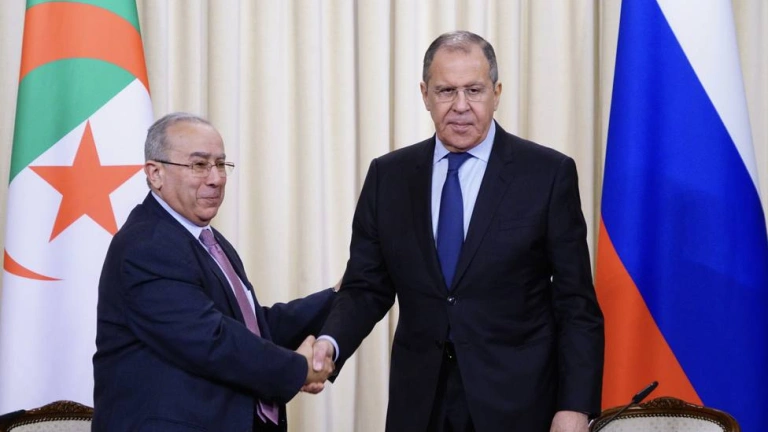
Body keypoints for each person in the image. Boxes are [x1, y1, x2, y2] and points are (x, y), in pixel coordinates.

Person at [313, 31, 604, 431]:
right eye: (446, 91)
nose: (461, 106)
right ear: (425, 94)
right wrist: (330, 344)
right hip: (419, 407)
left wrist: (575, 406)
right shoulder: (389, 176)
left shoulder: (547, 175)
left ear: (496, 93)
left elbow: (576, 304)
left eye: (474, 90)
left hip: (518, 406)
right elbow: (366, 286)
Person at [92, 112, 335, 432]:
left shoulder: (207, 240)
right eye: (199, 165)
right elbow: (211, 340)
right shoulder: (146, 245)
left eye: (220, 164)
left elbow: (252, 328)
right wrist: (299, 369)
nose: (216, 178)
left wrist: (339, 296)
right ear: (155, 173)